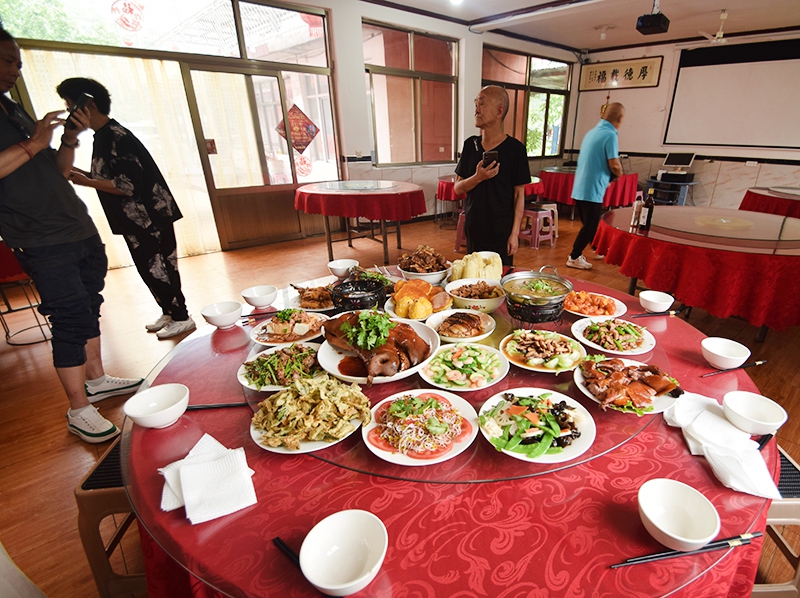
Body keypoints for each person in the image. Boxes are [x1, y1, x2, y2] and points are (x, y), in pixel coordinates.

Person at [0, 28, 141, 443]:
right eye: (7, 60)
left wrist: (67, 140)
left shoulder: (14, 111)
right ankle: (78, 409)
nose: (15, 69)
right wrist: (34, 142)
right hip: (40, 237)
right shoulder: (21, 126)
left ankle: (96, 379)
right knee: (68, 317)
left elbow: (58, 172)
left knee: (88, 303)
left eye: (18, 63)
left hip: (75, 225)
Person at [55, 77, 195, 339]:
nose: (69, 112)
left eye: (71, 105)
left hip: (149, 216)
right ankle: (168, 310)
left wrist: (87, 181)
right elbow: (112, 177)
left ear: (89, 105)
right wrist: (85, 176)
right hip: (135, 219)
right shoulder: (103, 136)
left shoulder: (117, 137)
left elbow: (127, 185)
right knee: (149, 269)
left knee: (161, 267)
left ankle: (181, 317)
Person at [454, 85, 530, 267]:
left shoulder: (515, 149)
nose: (476, 110)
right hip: (474, 228)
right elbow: (457, 188)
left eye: (482, 104)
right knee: (475, 280)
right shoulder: (470, 145)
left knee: (499, 282)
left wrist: (514, 234)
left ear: (499, 111)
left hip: (501, 231)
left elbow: (519, 195)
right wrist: (478, 177)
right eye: (476, 104)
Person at [566, 102, 625, 270]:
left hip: (580, 187)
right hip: (592, 189)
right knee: (590, 225)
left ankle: (596, 248)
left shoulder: (592, 133)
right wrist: (619, 174)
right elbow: (614, 164)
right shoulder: (610, 135)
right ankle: (574, 256)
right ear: (619, 119)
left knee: (589, 224)